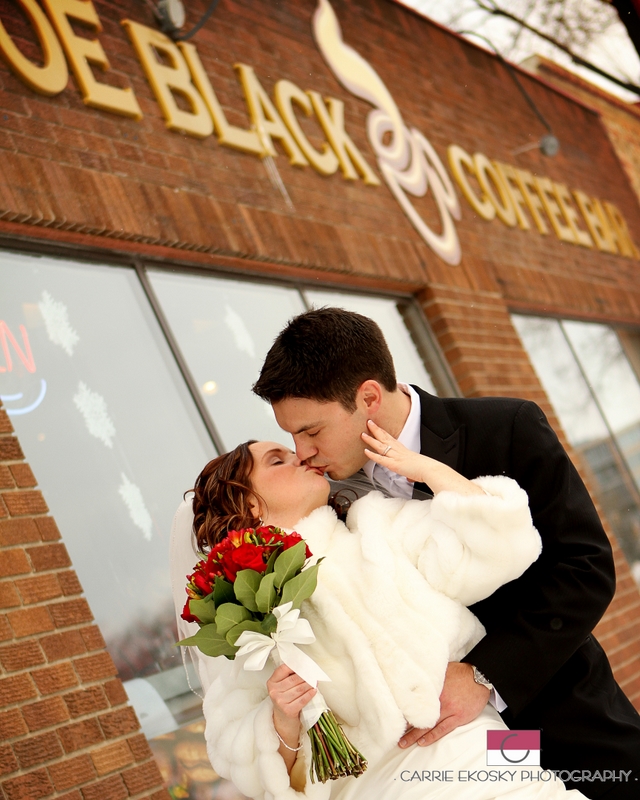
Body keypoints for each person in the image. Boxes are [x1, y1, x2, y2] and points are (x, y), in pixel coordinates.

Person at [251, 308, 640, 800]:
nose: (303, 451)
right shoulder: (325, 498)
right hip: (447, 762)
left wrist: (485, 675)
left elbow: (584, 569)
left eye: (311, 432)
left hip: (563, 712)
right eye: (291, 436)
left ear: (368, 397)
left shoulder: (507, 427)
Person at [172, 429, 590, 800]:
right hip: (380, 788)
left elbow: (503, 547)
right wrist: (283, 719)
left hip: (486, 745)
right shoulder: (245, 624)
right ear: (250, 503)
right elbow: (254, 769)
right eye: (277, 460)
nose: (300, 456)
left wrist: (425, 469)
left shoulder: (378, 526)